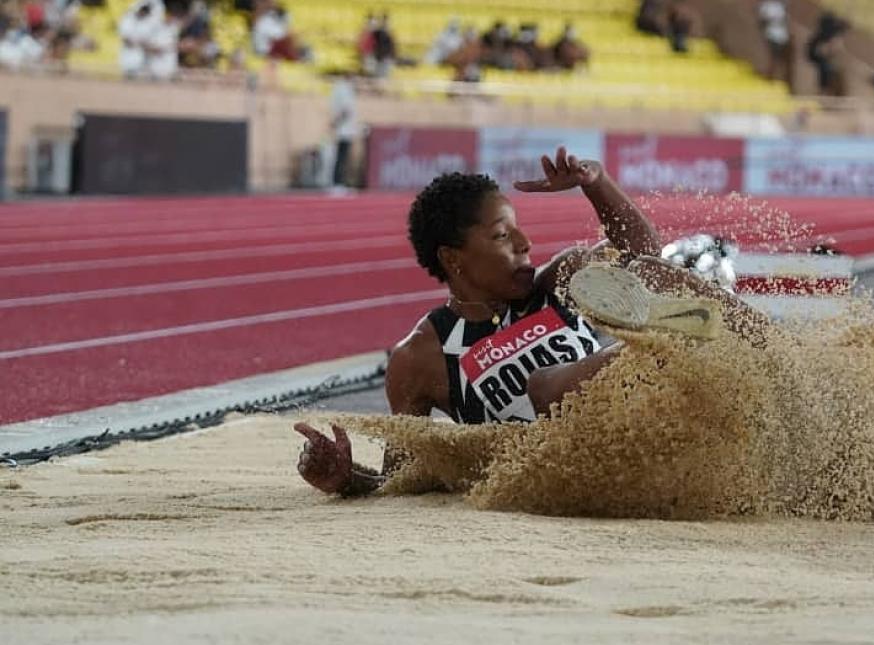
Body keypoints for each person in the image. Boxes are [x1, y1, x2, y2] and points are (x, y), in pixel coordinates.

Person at [294, 147, 769, 497]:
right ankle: (670, 341)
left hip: (655, 424)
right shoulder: (420, 356)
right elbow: (404, 477)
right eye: (503, 235)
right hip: (568, 466)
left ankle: (773, 351)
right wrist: (347, 480)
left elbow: (642, 252)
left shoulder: (557, 282)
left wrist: (596, 184)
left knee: (648, 272)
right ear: (454, 259)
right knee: (542, 385)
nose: (525, 243)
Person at [329, 73, 357, 189]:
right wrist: (336, 123)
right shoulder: (344, 89)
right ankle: (338, 182)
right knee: (342, 157)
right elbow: (346, 110)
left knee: (340, 157)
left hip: (342, 129)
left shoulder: (338, 88)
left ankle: (339, 182)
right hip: (344, 130)